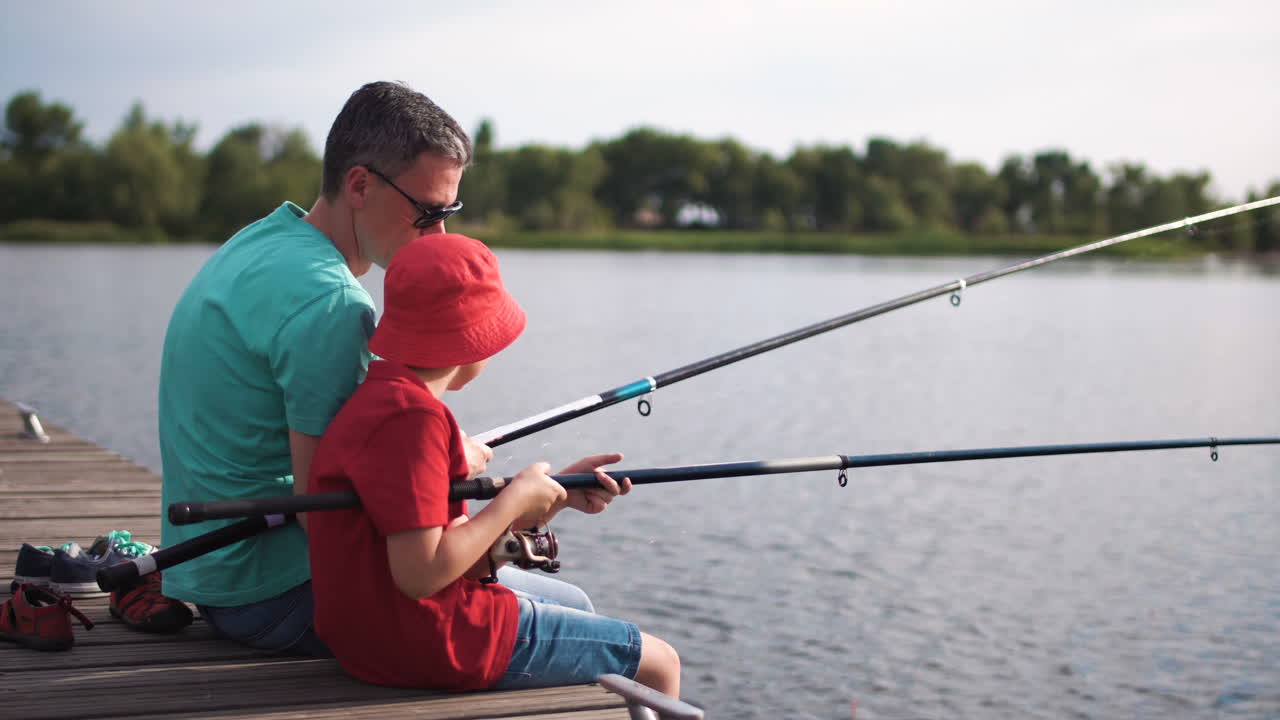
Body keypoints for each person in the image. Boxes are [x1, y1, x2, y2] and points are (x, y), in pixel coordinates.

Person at [157, 81, 598, 655]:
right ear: (360, 184)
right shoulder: (330, 306)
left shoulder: (262, 241)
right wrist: (458, 472)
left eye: (449, 211)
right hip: (271, 591)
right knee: (577, 608)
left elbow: (356, 459)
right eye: (426, 211)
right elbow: (329, 520)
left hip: (214, 572)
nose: (438, 233)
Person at [307, 233, 681, 696]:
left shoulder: (383, 397)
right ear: (472, 339)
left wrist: (554, 498)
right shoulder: (413, 420)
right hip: (427, 641)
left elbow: (455, 557)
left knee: (578, 604)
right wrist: (512, 499)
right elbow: (420, 575)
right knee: (660, 662)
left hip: (373, 635)